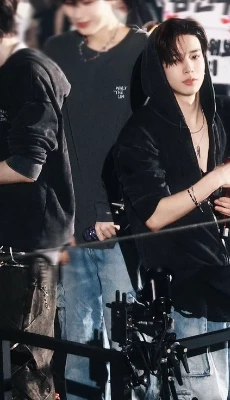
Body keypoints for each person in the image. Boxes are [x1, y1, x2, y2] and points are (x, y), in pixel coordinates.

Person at [115, 17, 230, 400]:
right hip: (187, 294)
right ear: (158, 66)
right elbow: (154, 215)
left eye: (195, 56)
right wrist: (214, 180)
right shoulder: (141, 132)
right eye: (175, 59)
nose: (188, 67)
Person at [44, 1, 147, 398]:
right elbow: (54, 139)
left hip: (123, 223)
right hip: (73, 221)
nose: (78, 11)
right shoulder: (58, 50)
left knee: (130, 342)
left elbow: (149, 138)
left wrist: (110, 206)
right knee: (77, 342)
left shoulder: (141, 50)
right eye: (71, 3)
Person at [0, 0, 74, 398]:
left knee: (28, 376)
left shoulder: (27, 71)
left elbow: (27, 164)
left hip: (26, 249)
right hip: (15, 243)